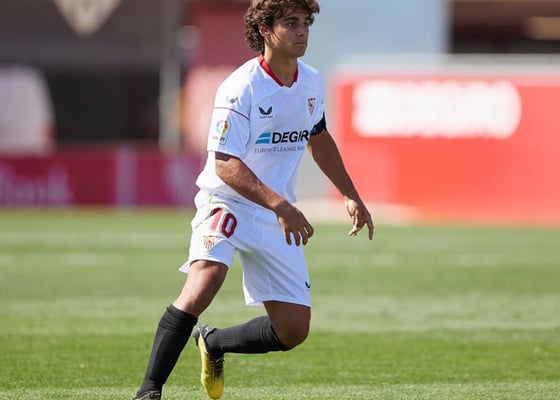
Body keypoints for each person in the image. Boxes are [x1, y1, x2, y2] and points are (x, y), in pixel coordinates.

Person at [132, 0, 373, 399]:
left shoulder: (311, 81)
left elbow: (318, 138)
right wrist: (280, 205)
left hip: (276, 211)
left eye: (306, 23)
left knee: (292, 330)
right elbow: (225, 163)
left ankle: (214, 342)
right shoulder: (241, 87)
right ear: (264, 29)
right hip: (227, 201)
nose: (302, 31)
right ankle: (148, 390)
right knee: (205, 281)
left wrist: (350, 193)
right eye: (291, 23)